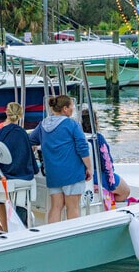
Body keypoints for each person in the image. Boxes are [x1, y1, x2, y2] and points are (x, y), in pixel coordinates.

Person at [29, 95, 92, 223]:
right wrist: (89, 168)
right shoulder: (71, 124)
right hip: (72, 172)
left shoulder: (43, 125)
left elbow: (31, 140)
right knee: (72, 207)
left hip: (53, 172)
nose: (73, 109)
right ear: (65, 109)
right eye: (71, 106)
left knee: (56, 207)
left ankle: (53, 235)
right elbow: (82, 147)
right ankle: (73, 237)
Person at [0, 102, 39, 231]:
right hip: (16, 175)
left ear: (6, 112)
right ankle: (6, 229)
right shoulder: (21, 133)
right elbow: (26, 158)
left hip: (0, 171)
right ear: (20, 115)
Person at [81, 109, 131, 204]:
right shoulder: (98, 138)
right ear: (95, 122)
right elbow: (107, 162)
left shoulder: (77, 138)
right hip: (97, 175)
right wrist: (110, 183)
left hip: (83, 174)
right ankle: (110, 202)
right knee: (125, 191)